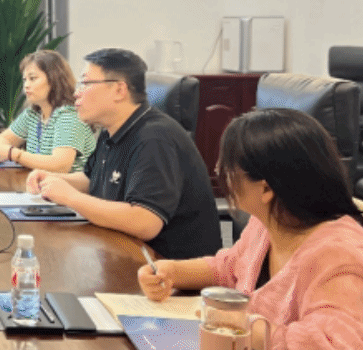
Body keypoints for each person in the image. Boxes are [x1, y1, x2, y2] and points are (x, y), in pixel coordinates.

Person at [137, 108, 363, 350]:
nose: (219, 171)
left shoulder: (340, 257)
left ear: (265, 188)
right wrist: (173, 271)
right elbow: (229, 268)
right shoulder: (270, 222)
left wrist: (241, 324)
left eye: (228, 168)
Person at [27, 48, 221, 259]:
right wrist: (53, 179)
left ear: (119, 90)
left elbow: (145, 222)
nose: (76, 93)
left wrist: (71, 197)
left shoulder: (155, 139)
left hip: (169, 268)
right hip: (126, 253)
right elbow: (92, 179)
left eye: (85, 83)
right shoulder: (111, 129)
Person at [0, 49, 95, 172]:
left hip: (67, 183)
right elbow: (1, 140)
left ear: (54, 80)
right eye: (25, 80)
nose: (26, 85)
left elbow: (60, 166)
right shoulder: (32, 114)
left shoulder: (69, 116)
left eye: (32, 78)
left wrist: (14, 154)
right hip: (41, 182)